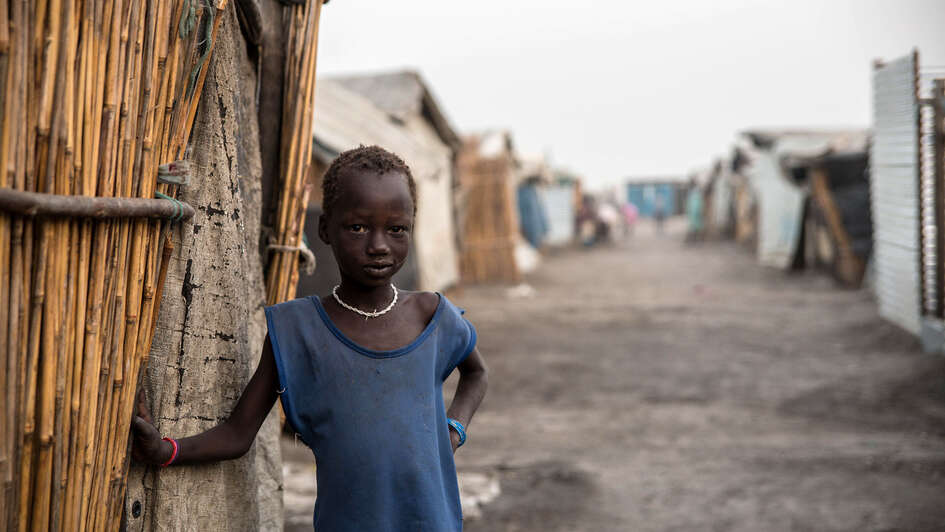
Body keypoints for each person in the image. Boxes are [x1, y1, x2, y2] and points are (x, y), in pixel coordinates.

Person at [132, 145, 489, 531]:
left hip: (432, 522)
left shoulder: (431, 316)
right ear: (325, 229)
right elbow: (238, 434)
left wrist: (453, 430)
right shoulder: (298, 330)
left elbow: (476, 374)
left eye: (396, 229)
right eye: (358, 227)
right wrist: (166, 449)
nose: (379, 245)